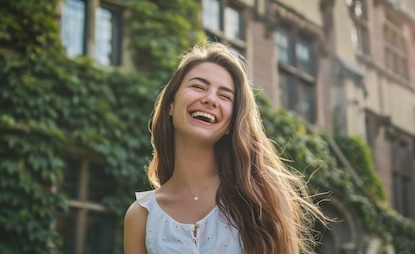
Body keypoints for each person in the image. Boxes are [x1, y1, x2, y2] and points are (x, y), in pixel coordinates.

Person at [123, 42, 326, 254]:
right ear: (171, 105)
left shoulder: (264, 197)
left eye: (224, 96)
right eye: (198, 87)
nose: (210, 99)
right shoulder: (141, 216)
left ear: (231, 122)